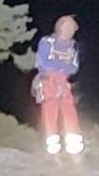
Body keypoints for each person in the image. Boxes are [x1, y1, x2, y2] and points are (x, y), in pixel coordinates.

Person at [32, 15, 83, 155]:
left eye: (73, 28)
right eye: (68, 27)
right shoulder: (47, 42)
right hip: (48, 80)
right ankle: (51, 143)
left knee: (69, 108)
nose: (70, 31)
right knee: (50, 108)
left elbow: (74, 67)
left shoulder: (73, 47)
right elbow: (43, 62)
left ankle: (74, 141)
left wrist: (60, 69)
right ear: (60, 27)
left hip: (63, 81)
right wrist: (61, 67)